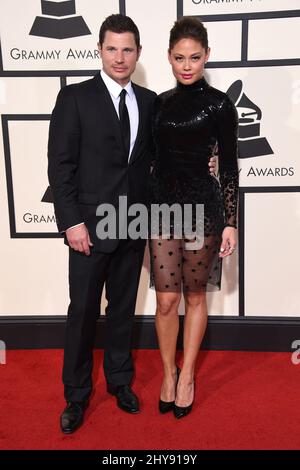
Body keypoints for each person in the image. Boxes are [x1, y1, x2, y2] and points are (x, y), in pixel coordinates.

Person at [48, 14, 217, 434]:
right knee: (83, 313)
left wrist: (205, 160)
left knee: (123, 311)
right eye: (112, 48)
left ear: (139, 53)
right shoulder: (75, 99)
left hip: (134, 223)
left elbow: (165, 156)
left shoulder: (150, 101)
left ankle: (120, 383)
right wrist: (71, 223)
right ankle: (76, 394)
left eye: (127, 49)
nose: (120, 57)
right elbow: (60, 165)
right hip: (88, 227)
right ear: (100, 51)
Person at [149, 17, 239, 419]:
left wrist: (231, 220)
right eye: (180, 58)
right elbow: (148, 161)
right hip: (163, 208)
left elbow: (230, 168)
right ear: (169, 57)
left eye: (195, 58)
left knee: (195, 296)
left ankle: (187, 376)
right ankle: (167, 374)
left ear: (207, 57)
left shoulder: (221, 104)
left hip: (204, 207)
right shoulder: (158, 104)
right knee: (167, 299)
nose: (187, 66)